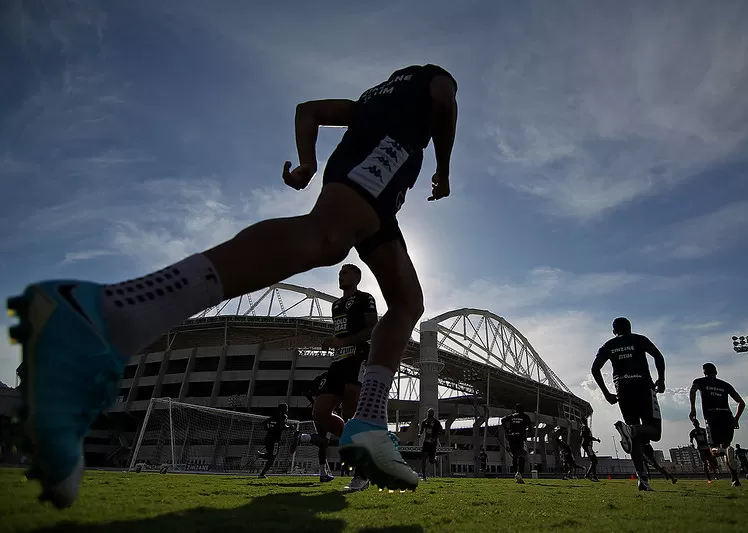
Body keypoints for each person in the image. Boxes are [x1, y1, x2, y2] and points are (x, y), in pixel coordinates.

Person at [8, 63, 458, 507]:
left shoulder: (368, 102)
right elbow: (443, 100)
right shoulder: (427, 86)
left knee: (406, 301)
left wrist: (306, 164)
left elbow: (308, 110)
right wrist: (443, 167)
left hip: (378, 192)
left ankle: (370, 423)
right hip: (384, 158)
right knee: (328, 237)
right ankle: (107, 313)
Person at [313, 264, 378, 492]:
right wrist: (334, 341)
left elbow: (372, 329)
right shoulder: (336, 304)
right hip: (338, 361)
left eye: (346, 273)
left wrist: (343, 341)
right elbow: (341, 334)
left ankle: (362, 474)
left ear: (357, 277)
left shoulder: (365, 298)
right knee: (320, 412)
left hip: (358, 357)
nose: (341, 276)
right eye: (340, 273)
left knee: (351, 408)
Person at [591, 317, 666, 492]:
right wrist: (661, 380)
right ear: (630, 328)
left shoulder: (608, 345)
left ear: (613, 331)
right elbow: (658, 356)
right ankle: (631, 430)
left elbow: (595, 368)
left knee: (635, 439)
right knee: (654, 431)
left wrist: (606, 392)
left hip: (623, 391)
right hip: (644, 387)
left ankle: (642, 479)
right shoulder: (640, 339)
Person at [689, 363, 746, 487]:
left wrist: (693, 409)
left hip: (712, 416)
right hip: (727, 416)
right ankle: (735, 479)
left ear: (704, 372)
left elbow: (692, 391)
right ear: (716, 372)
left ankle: (724, 451)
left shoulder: (700, 381)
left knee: (714, 450)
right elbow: (741, 403)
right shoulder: (725, 385)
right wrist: (736, 418)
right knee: (727, 447)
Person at [292, 371, 335, 483]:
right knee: (325, 441)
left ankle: (323, 474)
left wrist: (314, 402)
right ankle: (302, 437)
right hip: (328, 411)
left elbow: (306, 391)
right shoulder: (336, 377)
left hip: (316, 409)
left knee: (322, 443)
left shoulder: (320, 377)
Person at [258, 403, 292, 479]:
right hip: (275, 440)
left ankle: (261, 455)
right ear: (284, 409)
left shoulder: (273, 416)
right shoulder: (283, 416)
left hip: (267, 438)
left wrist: (268, 429)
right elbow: (283, 427)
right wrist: (290, 427)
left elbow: (264, 423)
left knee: (270, 455)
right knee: (272, 457)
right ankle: (262, 474)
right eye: (286, 408)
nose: (287, 409)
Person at [501, 404, 533, 483]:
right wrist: (528, 430)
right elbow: (530, 427)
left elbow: (503, 420)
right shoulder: (525, 416)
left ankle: (516, 473)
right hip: (521, 438)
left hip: (512, 437)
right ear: (523, 409)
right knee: (522, 455)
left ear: (515, 409)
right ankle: (520, 473)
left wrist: (507, 430)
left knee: (515, 456)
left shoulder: (511, 416)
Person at [418, 408, 444, 481]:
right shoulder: (424, 422)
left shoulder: (437, 422)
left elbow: (441, 431)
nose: (429, 414)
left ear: (433, 414)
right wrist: (419, 434)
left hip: (433, 443)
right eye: (428, 412)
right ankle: (424, 477)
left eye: (430, 413)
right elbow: (421, 430)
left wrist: (435, 437)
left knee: (431, 461)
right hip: (426, 442)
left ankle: (435, 460)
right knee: (423, 459)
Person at [579, 417, 600, 482]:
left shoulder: (584, 428)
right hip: (588, 446)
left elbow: (584, 436)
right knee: (594, 460)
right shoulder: (585, 428)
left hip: (588, 446)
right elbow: (587, 437)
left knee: (594, 460)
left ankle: (588, 475)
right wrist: (595, 439)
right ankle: (594, 476)